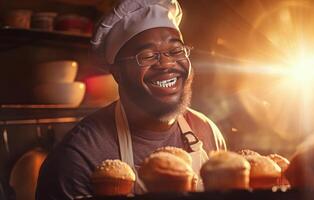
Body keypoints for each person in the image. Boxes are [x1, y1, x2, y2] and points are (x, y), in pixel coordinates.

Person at [36, 0, 226, 199]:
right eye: (147, 55)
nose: (167, 63)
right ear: (117, 73)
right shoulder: (79, 156)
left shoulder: (207, 131)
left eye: (176, 50)